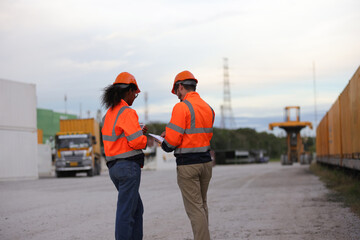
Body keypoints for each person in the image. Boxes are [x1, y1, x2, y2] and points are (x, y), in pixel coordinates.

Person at [160, 70, 215, 240]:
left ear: (180, 87)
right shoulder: (208, 108)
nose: (177, 95)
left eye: (176, 91)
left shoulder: (181, 107)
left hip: (188, 165)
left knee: (195, 209)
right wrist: (170, 134)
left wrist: (164, 142)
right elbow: (197, 134)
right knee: (202, 205)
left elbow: (172, 142)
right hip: (206, 163)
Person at [101, 72, 147, 240]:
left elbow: (118, 138)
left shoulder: (108, 115)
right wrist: (143, 137)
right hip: (128, 167)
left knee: (136, 209)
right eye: (134, 93)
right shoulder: (127, 112)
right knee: (126, 213)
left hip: (114, 168)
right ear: (128, 91)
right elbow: (137, 142)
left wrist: (136, 131)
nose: (135, 97)